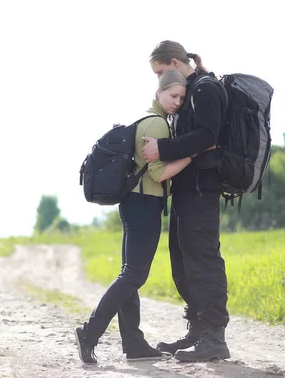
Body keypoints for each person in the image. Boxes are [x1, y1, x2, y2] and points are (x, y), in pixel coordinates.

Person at [74, 70, 194, 364]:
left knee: (130, 273)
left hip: (133, 203)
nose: (177, 102)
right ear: (159, 93)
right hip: (145, 204)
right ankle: (89, 333)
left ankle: (134, 343)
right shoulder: (157, 124)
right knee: (134, 275)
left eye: (181, 97)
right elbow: (158, 172)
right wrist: (193, 153)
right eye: (172, 95)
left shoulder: (144, 118)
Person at [141, 40, 231, 362]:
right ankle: (196, 330)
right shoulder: (186, 94)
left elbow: (209, 136)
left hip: (201, 191)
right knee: (183, 262)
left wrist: (162, 151)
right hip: (184, 191)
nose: (161, 81)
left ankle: (214, 338)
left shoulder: (205, 88)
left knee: (203, 261)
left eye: (162, 72)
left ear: (176, 63)